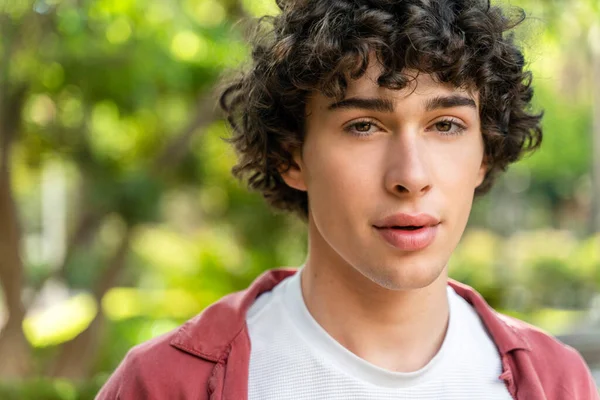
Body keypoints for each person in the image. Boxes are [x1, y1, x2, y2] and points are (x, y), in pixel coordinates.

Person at [97, 0, 599, 399]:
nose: (411, 176)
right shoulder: (163, 385)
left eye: (446, 125)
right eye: (364, 126)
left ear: (484, 153)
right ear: (293, 156)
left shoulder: (558, 384)